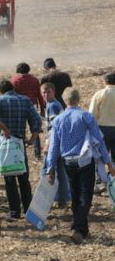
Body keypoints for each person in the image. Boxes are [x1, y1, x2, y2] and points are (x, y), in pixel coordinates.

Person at [46, 89, 115, 244]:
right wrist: (108, 163)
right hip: (85, 161)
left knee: (75, 195)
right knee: (86, 196)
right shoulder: (86, 117)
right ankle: (77, 228)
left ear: (64, 100)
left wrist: (50, 168)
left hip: (68, 162)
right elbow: (99, 141)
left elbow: (53, 147)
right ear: (78, 99)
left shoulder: (58, 120)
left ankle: (82, 230)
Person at [0, 80, 42, 220]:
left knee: (10, 178)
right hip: (19, 144)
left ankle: (15, 212)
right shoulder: (25, 100)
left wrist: (4, 128)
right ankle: (28, 210)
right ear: (13, 88)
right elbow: (37, 120)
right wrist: (32, 138)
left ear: (1, 91)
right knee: (24, 178)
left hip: (5, 145)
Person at [41, 82, 70, 207]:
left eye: (48, 91)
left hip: (55, 143)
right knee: (61, 171)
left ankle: (48, 198)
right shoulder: (55, 104)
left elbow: (54, 128)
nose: (45, 94)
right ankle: (62, 199)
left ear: (54, 92)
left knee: (48, 170)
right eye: (43, 92)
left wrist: (48, 144)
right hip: (61, 142)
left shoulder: (52, 106)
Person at [12, 62, 45, 159]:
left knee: (21, 129)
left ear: (18, 70)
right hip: (33, 106)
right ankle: (37, 154)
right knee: (35, 129)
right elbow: (39, 95)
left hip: (19, 107)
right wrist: (42, 109)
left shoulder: (14, 80)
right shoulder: (34, 80)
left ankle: (21, 152)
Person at [89, 72, 115, 162]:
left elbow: (91, 114)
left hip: (103, 129)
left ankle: (103, 176)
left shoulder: (99, 94)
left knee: (101, 158)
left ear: (105, 82)